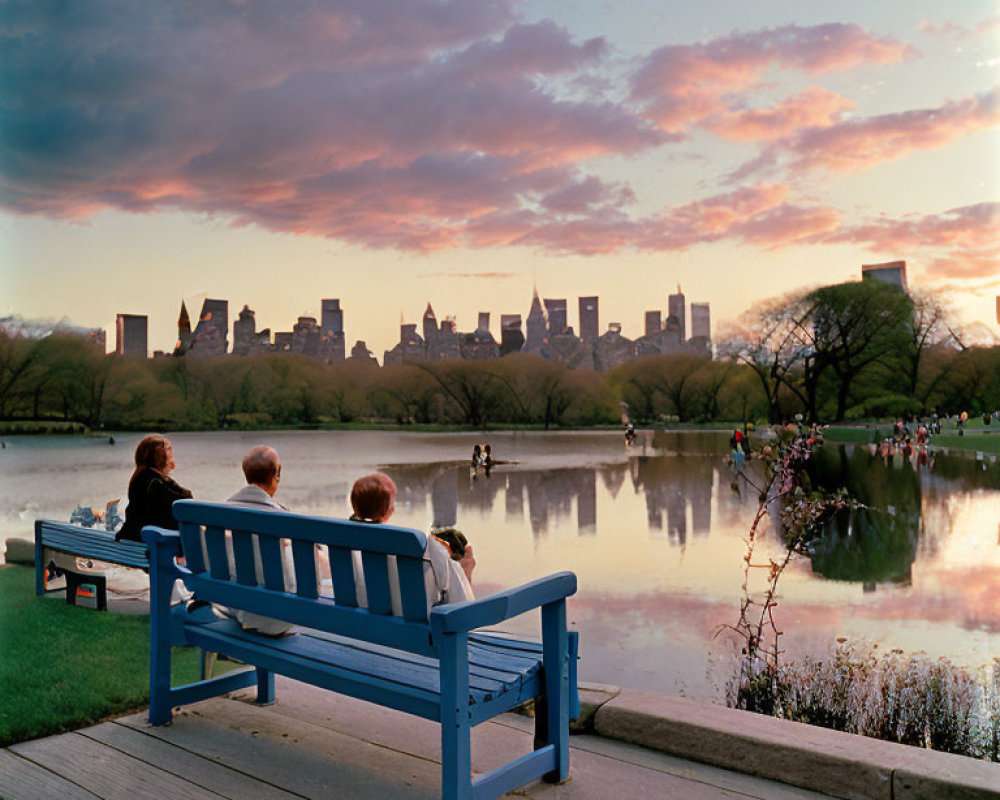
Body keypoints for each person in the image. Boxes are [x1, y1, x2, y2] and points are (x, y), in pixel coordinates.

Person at [350, 473, 474, 612]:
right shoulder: (427, 548)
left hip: (361, 627)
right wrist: (466, 571)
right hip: (415, 632)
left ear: (354, 505)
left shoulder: (348, 546)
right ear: (390, 510)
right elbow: (463, 608)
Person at [218, 445, 298, 636]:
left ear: (247, 475)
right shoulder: (281, 518)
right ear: (276, 474)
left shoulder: (222, 513)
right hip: (278, 619)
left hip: (237, 609)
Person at [116, 435, 192, 543]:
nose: (173, 464)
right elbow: (186, 500)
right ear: (161, 459)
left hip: (131, 540)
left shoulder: (137, 479)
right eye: (170, 458)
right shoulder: (158, 484)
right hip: (150, 546)